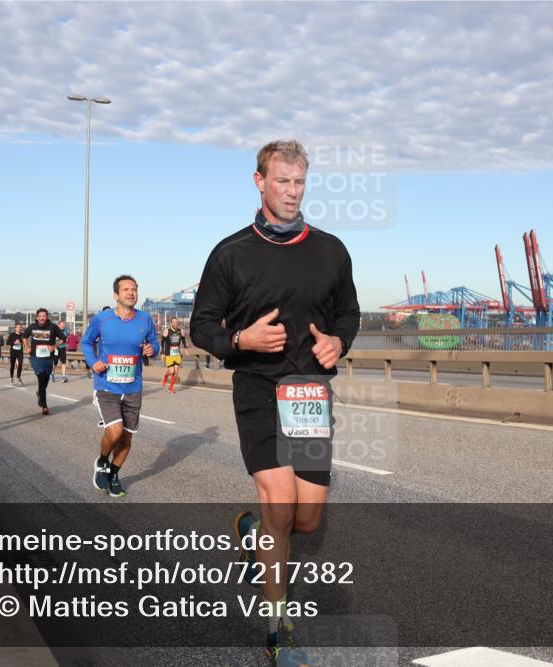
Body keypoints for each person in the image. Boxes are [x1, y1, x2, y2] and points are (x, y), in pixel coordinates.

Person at [190, 139, 360, 666]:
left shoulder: (331, 250)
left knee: (306, 521)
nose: (291, 191)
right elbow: (201, 327)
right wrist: (240, 342)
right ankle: (278, 629)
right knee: (281, 508)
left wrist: (339, 342)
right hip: (259, 391)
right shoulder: (231, 253)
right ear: (259, 181)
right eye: (282, 181)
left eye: (299, 182)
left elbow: (348, 313)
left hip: (309, 393)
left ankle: (251, 531)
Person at [82, 275, 158, 498]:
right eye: (125, 289)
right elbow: (87, 342)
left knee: (126, 437)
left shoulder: (145, 319)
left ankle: (114, 474)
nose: (131, 293)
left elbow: (153, 343)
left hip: (133, 387)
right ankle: (103, 461)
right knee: (114, 431)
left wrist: (153, 349)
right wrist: (92, 361)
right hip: (107, 385)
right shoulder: (103, 319)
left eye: (134, 289)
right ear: (116, 295)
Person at [23, 309, 66, 415]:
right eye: (40, 316)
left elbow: (63, 339)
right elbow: (24, 336)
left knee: (45, 381)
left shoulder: (53, 327)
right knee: (41, 378)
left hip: (48, 358)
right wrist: (27, 347)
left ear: (47, 317)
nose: (42, 318)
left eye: (44, 316)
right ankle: (45, 406)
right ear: (37, 317)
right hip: (35, 358)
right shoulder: (32, 327)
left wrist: (54, 346)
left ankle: (40, 394)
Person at [160, 317, 188, 394]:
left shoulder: (180, 331)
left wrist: (185, 348)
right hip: (169, 354)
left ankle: (170, 388)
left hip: (177, 354)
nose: (176, 324)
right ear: (171, 323)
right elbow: (162, 342)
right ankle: (165, 376)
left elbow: (183, 339)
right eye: (174, 322)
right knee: (171, 371)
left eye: (176, 322)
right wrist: (162, 353)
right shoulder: (167, 331)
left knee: (176, 372)